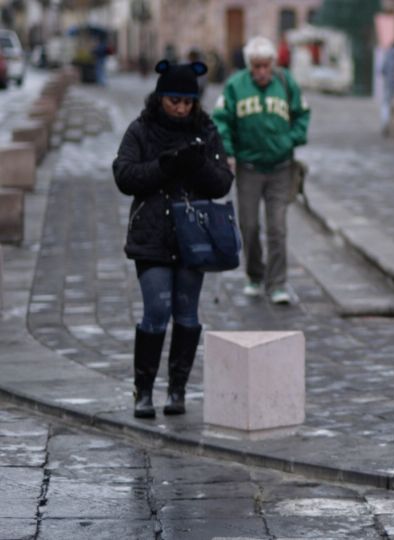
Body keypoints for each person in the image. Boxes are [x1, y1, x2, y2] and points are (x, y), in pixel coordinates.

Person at [113, 60, 234, 418]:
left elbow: (223, 182)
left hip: (193, 236)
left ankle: (177, 390)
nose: (181, 108)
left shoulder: (206, 130)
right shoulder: (141, 130)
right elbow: (124, 175)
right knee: (156, 310)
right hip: (152, 233)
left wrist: (196, 165)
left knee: (186, 313)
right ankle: (144, 391)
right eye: (174, 101)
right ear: (161, 98)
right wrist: (164, 166)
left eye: (187, 102)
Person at [212, 36, 311, 304]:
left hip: (281, 167)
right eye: (256, 66)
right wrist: (229, 152)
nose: (262, 72)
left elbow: (302, 114)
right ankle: (255, 274)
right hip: (249, 168)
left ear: (273, 64)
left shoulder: (285, 82)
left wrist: (290, 140)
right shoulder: (235, 86)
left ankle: (277, 283)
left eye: (266, 65)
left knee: (277, 227)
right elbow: (221, 121)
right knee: (250, 225)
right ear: (249, 66)